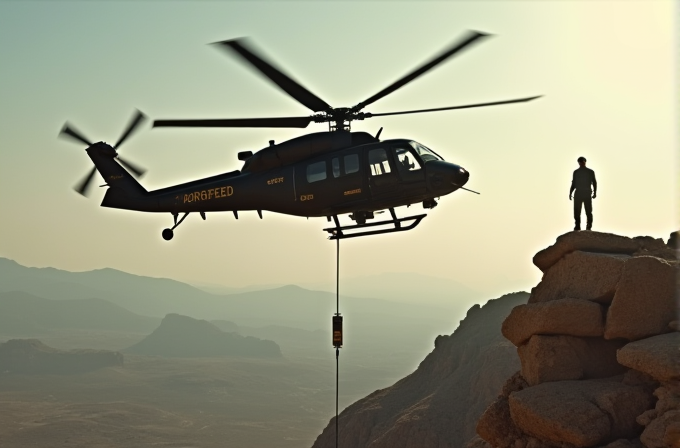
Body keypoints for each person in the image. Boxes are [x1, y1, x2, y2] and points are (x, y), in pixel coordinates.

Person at [569, 156, 597, 231]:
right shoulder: (576, 172)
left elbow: (594, 182)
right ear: (578, 163)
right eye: (580, 162)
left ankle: (589, 226)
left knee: (588, 211)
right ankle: (577, 226)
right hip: (578, 193)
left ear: (585, 162)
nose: (581, 163)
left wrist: (595, 192)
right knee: (577, 211)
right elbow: (574, 183)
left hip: (587, 192)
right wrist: (570, 192)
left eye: (583, 161)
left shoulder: (590, 172)